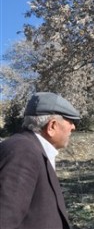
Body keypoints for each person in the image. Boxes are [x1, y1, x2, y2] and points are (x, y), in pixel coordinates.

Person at [0, 92, 80, 229]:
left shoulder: (32, 149)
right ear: (52, 126)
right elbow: (5, 218)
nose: (73, 127)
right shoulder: (24, 151)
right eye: (70, 121)